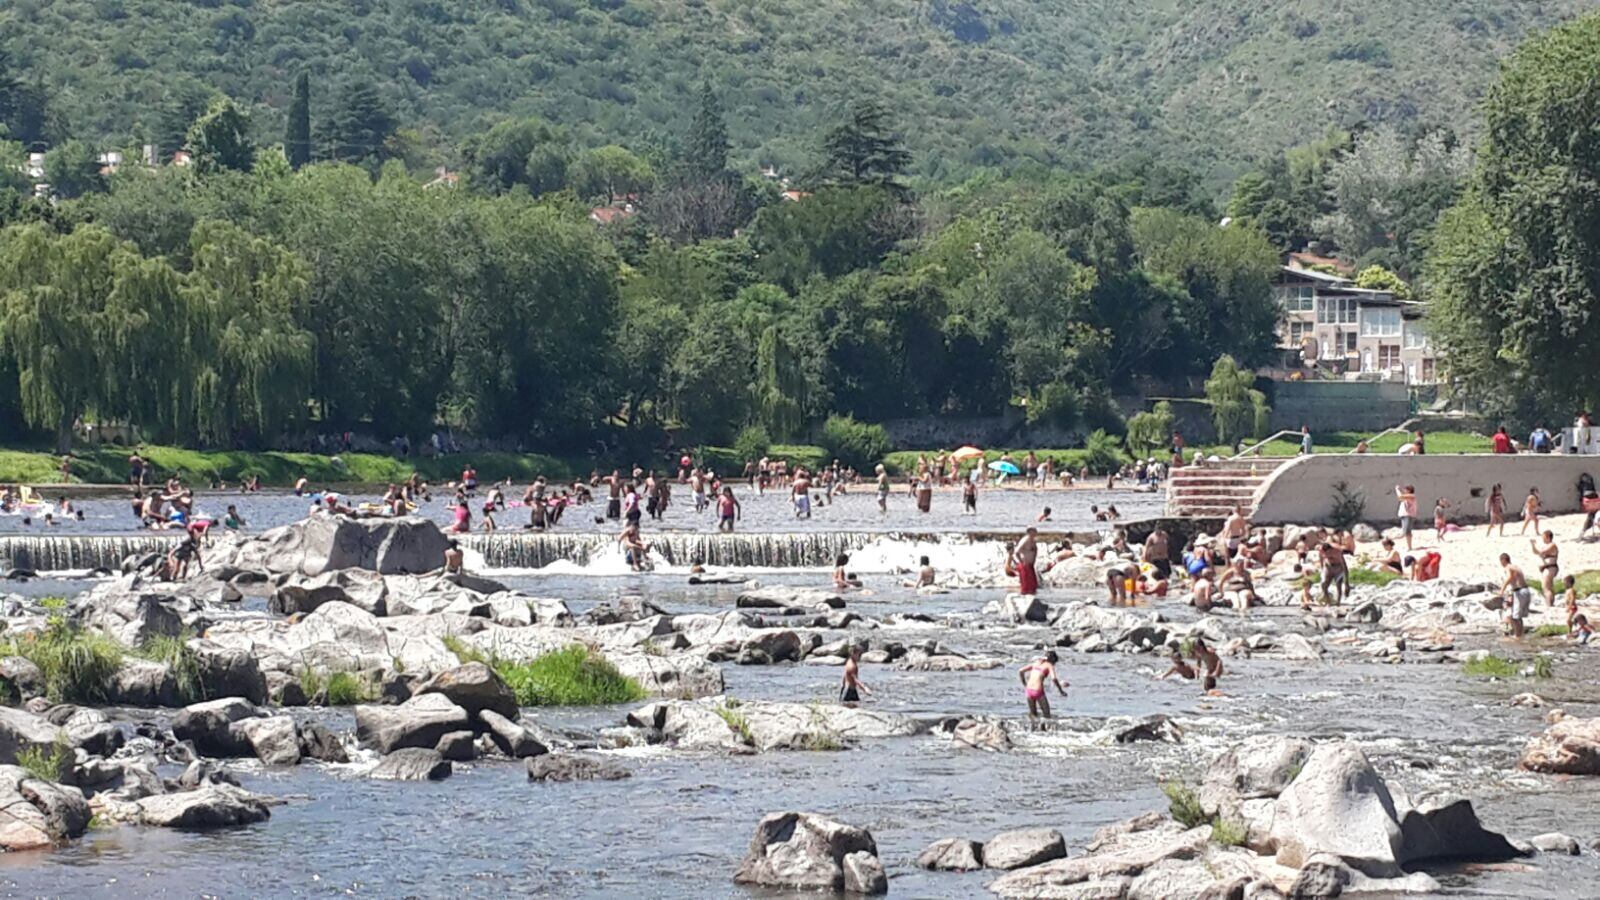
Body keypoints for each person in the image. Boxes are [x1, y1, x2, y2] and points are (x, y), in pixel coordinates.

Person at [1018, 651, 1068, 729]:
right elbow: (1054, 678)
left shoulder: (1037, 663)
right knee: (1046, 714)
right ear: (1053, 660)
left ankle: (1032, 731)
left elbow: (1021, 671)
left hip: (1028, 690)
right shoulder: (1049, 665)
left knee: (1033, 714)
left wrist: (1025, 684)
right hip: (1038, 691)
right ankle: (1043, 730)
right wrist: (1060, 690)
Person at [1499, 553, 1531, 639]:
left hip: (1519, 592)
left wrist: (1502, 589)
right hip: (1525, 591)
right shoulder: (1516, 567)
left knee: (1512, 617)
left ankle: (1516, 637)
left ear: (1503, 560)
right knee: (1518, 617)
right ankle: (1520, 636)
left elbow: (1509, 577)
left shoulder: (1508, 567)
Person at [1532, 530, 1560, 607]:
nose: (1542, 539)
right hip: (1547, 568)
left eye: (1543, 537)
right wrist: (1533, 545)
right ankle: (1551, 603)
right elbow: (1536, 552)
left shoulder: (1552, 545)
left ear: (1548, 537)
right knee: (1549, 587)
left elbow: (1542, 552)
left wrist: (1537, 548)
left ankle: (1549, 604)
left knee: (1546, 587)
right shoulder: (1546, 545)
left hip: (1550, 568)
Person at [1318, 540, 1349, 606]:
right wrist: (1322, 569)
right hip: (1328, 567)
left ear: (1331, 549)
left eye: (1328, 552)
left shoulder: (1337, 551)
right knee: (1324, 585)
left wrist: (1347, 583)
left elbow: (1344, 565)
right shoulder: (1321, 550)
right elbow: (1321, 559)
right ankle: (1328, 602)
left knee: (1338, 585)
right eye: (1325, 553)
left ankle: (1338, 602)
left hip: (1338, 567)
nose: (1327, 554)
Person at [1013, 527, 1039, 596]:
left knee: (1033, 585)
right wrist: (1021, 561)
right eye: (1034, 530)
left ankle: (1033, 598)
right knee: (1026, 585)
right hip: (1025, 565)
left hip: (1030, 565)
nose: (1036, 532)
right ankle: (1024, 597)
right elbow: (1016, 552)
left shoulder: (1033, 540)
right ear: (1029, 532)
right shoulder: (1025, 540)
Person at [1394, 485, 1418, 552]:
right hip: (1404, 515)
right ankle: (1409, 547)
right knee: (1407, 532)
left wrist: (1397, 489)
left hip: (1408, 515)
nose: (1404, 491)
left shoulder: (1412, 496)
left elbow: (1400, 496)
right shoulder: (1407, 497)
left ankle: (1409, 547)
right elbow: (1400, 498)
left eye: (1405, 489)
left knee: (1406, 532)